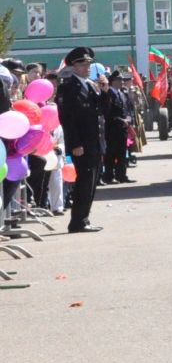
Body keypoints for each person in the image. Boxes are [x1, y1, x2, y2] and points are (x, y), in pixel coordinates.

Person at [54, 47, 104, 233]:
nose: (87, 67)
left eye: (89, 64)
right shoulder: (68, 87)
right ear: (73, 66)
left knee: (91, 182)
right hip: (81, 144)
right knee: (84, 182)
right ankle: (77, 222)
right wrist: (75, 144)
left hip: (95, 142)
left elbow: (102, 111)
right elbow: (67, 119)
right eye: (83, 64)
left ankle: (84, 219)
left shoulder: (90, 85)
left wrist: (105, 91)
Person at [100, 70, 132, 184]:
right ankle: (109, 176)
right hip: (112, 129)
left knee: (122, 153)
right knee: (111, 154)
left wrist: (129, 119)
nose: (121, 82)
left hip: (122, 129)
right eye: (119, 80)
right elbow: (107, 113)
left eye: (122, 80)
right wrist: (120, 120)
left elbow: (127, 109)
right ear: (112, 81)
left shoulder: (122, 94)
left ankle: (121, 175)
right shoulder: (109, 94)